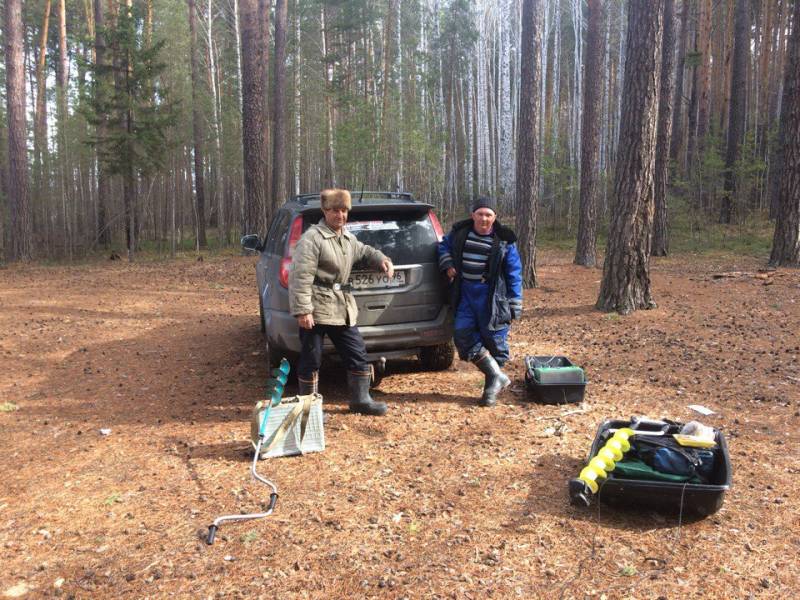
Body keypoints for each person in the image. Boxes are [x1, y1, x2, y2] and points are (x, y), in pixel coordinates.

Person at [289, 188, 395, 416]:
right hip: (316, 309)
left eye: (344, 210)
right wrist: (302, 310)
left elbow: (364, 251)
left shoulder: (346, 237)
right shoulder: (312, 239)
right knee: (311, 359)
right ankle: (309, 409)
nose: (341, 215)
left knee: (356, 353)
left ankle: (361, 400)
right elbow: (300, 277)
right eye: (335, 210)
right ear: (325, 211)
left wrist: (381, 259)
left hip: (342, 307)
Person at [437, 196, 523, 406]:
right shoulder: (460, 234)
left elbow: (514, 272)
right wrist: (447, 263)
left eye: (489, 215)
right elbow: (443, 247)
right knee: (462, 333)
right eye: (480, 214)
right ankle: (497, 376)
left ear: (495, 217)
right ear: (472, 215)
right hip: (465, 293)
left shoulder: (504, 240)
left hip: (493, 297)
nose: (484, 218)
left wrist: (515, 302)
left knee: (494, 339)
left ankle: (490, 387)